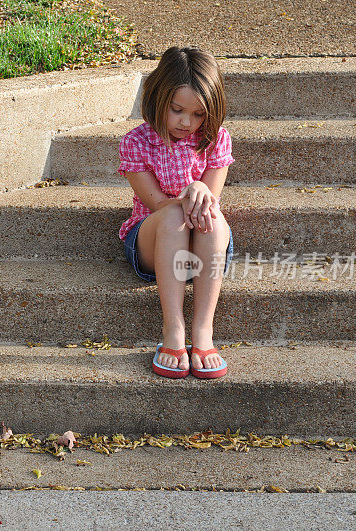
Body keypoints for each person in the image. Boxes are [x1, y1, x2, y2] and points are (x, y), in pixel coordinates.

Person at [118, 46, 234, 379]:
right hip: (154, 241)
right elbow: (155, 203)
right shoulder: (136, 142)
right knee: (174, 216)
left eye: (198, 114)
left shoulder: (216, 140)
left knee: (210, 214)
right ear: (158, 98)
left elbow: (210, 201)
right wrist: (189, 192)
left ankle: (203, 333)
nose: (187, 122)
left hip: (204, 243)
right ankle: (173, 330)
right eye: (177, 110)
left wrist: (202, 191)